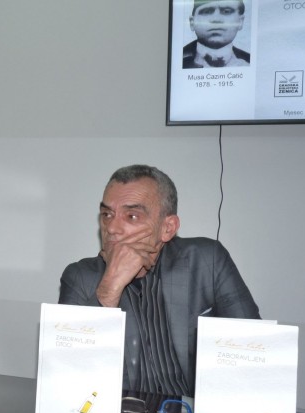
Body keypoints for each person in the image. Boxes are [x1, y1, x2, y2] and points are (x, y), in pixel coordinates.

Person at [59, 164, 260, 396]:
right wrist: (109, 290)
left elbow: (253, 352)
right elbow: (68, 376)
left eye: (132, 216)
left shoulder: (207, 261)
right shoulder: (80, 277)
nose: (112, 228)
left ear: (167, 228)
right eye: (107, 215)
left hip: (192, 411)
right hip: (119, 412)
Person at [183, 0, 250, 69]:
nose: (216, 19)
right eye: (207, 11)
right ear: (192, 23)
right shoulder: (177, 60)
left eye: (226, 11)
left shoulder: (250, 62)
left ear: (240, 22)